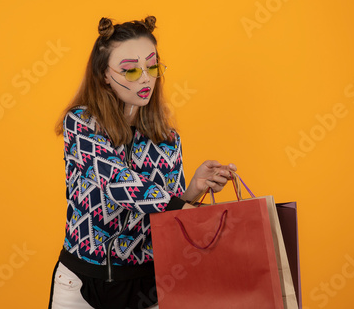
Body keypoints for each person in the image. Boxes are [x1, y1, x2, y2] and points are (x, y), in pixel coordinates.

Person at [49, 16, 237, 309]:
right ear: (104, 75)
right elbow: (118, 184)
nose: (146, 77)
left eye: (152, 67)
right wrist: (189, 209)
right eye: (131, 70)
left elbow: (166, 217)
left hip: (149, 286)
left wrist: (193, 191)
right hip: (80, 284)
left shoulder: (166, 137)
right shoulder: (82, 124)